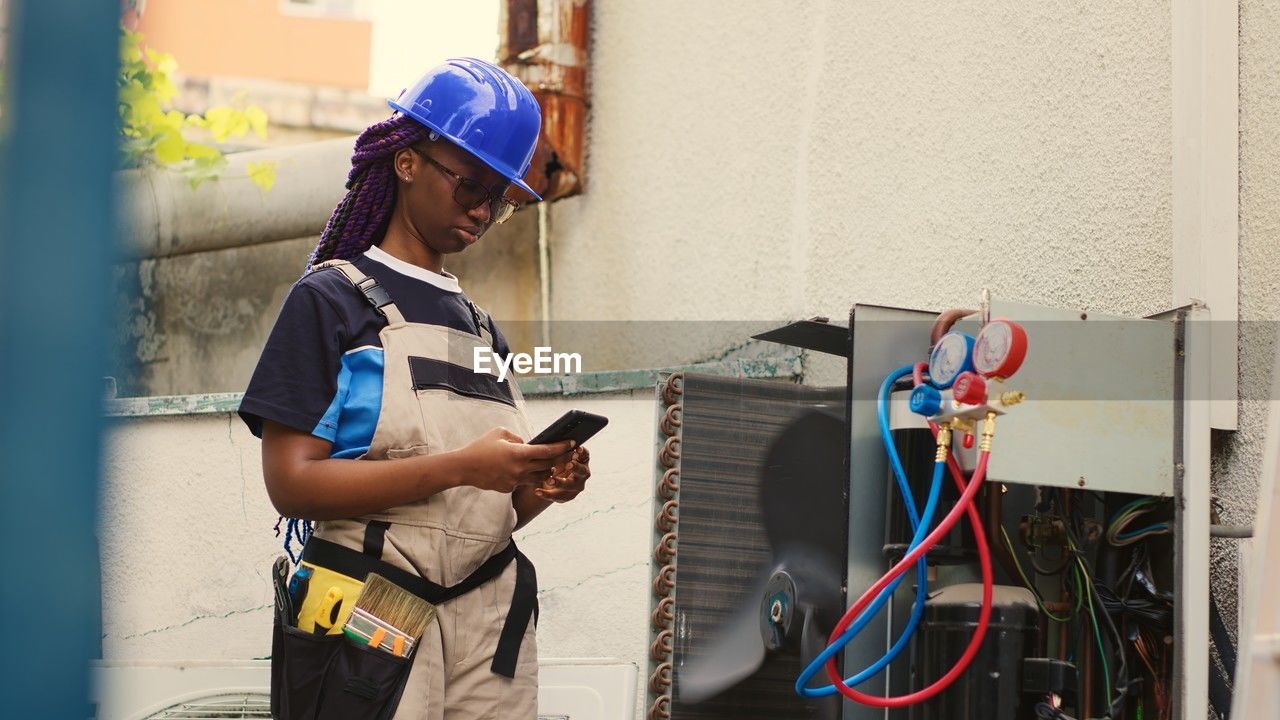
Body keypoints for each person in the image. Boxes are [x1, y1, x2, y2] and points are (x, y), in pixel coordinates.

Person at [238, 57, 591, 720]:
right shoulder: (332, 302)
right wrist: (462, 466)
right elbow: (290, 483)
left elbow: (480, 512)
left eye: (500, 199)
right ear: (407, 162)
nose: (483, 211)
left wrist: (534, 488)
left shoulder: (482, 331)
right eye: (470, 187)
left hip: (489, 618)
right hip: (372, 605)